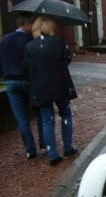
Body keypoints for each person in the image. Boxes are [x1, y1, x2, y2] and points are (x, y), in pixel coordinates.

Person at [23, 16, 78, 166]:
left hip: (41, 88)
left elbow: (26, 67)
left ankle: (52, 154)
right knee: (65, 114)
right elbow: (67, 59)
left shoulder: (29, 46)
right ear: (50, 28)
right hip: (59, 85)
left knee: (47, 120)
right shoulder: (58, 42)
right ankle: (67, 147)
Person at [0, 13, 44, 159]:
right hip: (29, 81)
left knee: (21, 118)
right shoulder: (30, 40)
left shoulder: (6, 39)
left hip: (11, 82)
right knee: (40, 112)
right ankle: (43, 142)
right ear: (26, 24)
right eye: (32, 25)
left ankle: (30, 149)